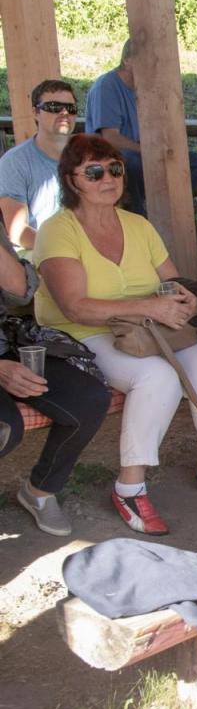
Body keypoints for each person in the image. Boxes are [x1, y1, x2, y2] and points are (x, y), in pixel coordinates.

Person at [35, 135, 197, 535]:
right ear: (71, 180)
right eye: (94, 172)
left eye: (114, 169)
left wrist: (187, 300)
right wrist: (148, 307)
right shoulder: (57, 230)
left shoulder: (138, 225)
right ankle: (130, 487)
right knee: (157, 376)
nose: (108, 178)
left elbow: (172, 281)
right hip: (82, 334)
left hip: (145, 329)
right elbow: (74, 307)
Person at [0, 223, 110, 536]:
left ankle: (40, 491)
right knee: (5, 428)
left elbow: (20, 290)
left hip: (7, 343)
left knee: (88, 400)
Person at [86, 39, 197, 218]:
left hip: (143, 152)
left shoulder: (147, 88)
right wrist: (148, 150)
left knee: (196, 163)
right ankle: (136, 215)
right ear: (127, 60)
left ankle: (166, 212)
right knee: (130, 163)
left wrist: (167, 149)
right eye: (146, 61)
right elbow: (110, 138)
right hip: (110, 155)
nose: (152, 66)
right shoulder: (107, 86)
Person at [0, 80, 78, 254]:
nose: (64, 112)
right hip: (38, 251)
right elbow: (17, 232)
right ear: (36, 112)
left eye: (71, 108)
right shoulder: (15, 162)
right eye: (54, 107)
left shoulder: (89, 156)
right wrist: (67, 248)